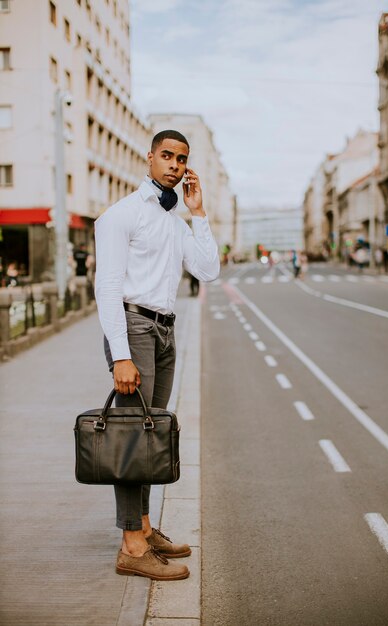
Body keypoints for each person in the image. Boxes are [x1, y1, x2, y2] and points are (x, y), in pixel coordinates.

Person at [94, 130, 220, 581]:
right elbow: (107, 288)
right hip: (132, 329)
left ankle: (145, 529)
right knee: (132, 439)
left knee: (150, 436)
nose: (174, 164)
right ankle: (131, 546)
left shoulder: (174, 221)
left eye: (181, 158)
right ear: (149, 158)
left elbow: (208, 270)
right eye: (166, 155)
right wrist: (120, 356)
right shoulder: (121, 215)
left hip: (164, 331)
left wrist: (198, 213)